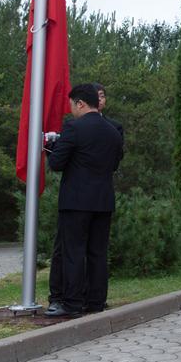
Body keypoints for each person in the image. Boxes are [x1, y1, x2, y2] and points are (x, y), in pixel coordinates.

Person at [45, 84, 123, 317]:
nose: (71, 110)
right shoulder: (113, 131)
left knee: (73, 253)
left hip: (76, 201)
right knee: (98, 253)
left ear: (80, 103)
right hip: (103, 200)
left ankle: (72, 303)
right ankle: (96, 302)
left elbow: (56, 163)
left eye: (72, 105)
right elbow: (114, 164)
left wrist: (52, 146)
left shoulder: (74, 127)